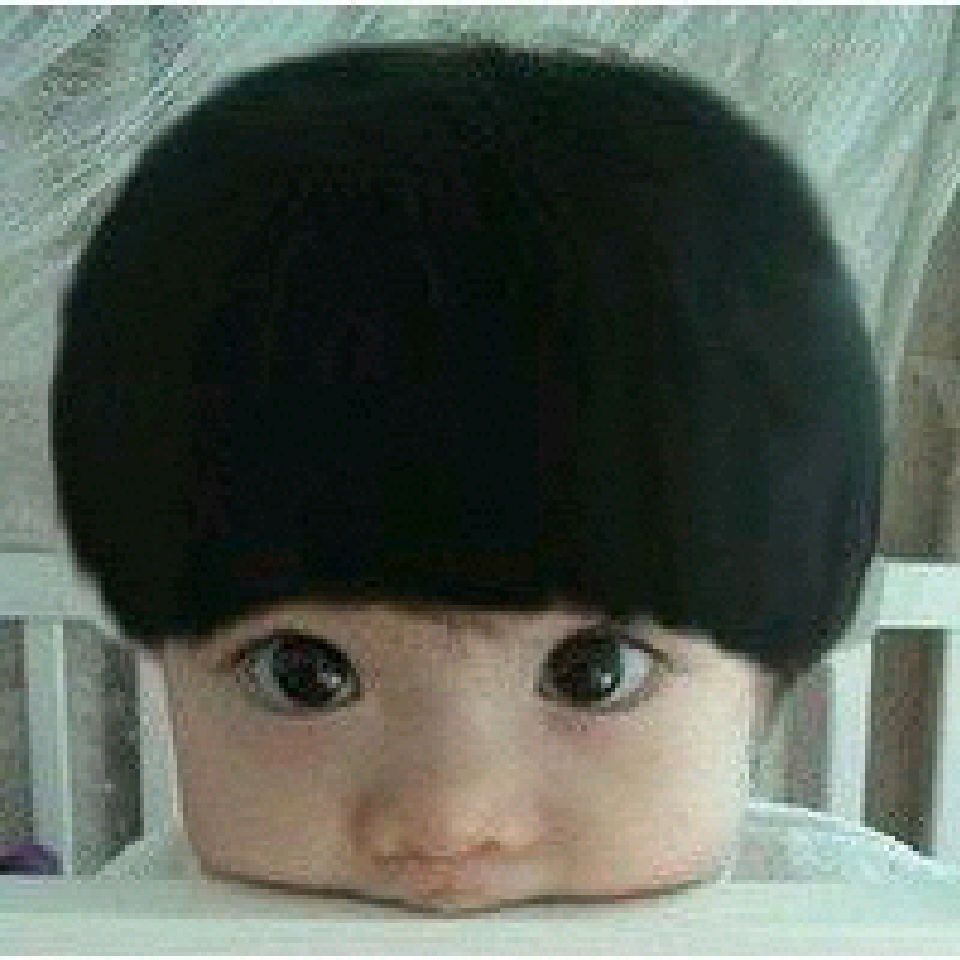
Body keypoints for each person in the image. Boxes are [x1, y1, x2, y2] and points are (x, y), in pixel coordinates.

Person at [49, 40, 888, 915]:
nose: (448, 821)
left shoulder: (857, 918)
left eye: (593, 671)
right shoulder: (124, 923)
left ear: (769, 678)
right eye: (303, 673)